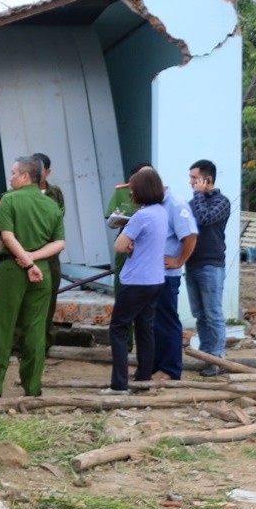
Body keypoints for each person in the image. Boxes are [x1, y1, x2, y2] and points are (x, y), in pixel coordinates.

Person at [0, 156, 65, 399]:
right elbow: (60, 243)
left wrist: (24, 259)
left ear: (26, 176)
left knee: (3, 327)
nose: (11, 177)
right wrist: (34, 258)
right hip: (43, 270)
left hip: (13, 269)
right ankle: (33, 386)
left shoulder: (10, 199)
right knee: (36, 330)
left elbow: (7, 236)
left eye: (14, 173)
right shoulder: (52, 205)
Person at [102, 167, 169, 394]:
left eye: (132, 189)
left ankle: (119, 384)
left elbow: (119, 245)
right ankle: (142, 379)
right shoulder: (161, 212)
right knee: (144, 329)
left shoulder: (141, 215)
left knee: (119, 329)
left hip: (136, 280)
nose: (130, 193)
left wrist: (128, 241)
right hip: (155, 279)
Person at [186, 159, 232, 376]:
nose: (191, 183)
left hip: (211, 265)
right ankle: (206, 356)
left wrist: (198, 194)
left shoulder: (221, 202)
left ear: (207, 179)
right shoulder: (194, 201)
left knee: (213, 313)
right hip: (192, 263)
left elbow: (204, 218)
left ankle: (218, 359)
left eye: (194, 178)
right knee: (200, 315)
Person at [153, 172, 199, 380]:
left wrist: (179, 260)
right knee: (153, 322)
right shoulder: (153, 203)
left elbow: (190, 236)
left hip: (166, 274)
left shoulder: (176, 204)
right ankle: (155, 366)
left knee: (166, 321)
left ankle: (170, 369)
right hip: (151, 274)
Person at [33, 152, 65, 342]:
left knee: (49, 299)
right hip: (27, 254)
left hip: (51, 255)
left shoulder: (55, 194)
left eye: (40, 170)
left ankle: (45, 341)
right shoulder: (19, 193)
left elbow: (59, 219)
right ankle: (20, 344)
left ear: (48, 172)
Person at [104, 163, 147, 290]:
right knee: (121, 280)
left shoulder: (157, 195)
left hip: (146, 243)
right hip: (126, 240)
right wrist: (116, 217)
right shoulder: (121, 192)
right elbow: (110, 220)